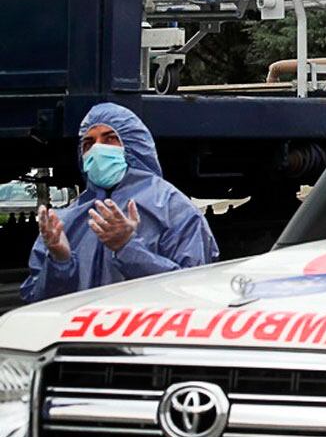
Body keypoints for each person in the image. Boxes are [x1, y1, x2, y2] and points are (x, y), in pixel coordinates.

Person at [22, 103, 219, 303]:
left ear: (134, 145)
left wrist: (128, 249)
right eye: (89, 144)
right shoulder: (66, 220)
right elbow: (39, 304)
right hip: (84, 333)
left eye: (110, 139)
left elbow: (192, 293)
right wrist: (59, 262)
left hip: (140, 333)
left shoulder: (173, 210)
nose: (98, 148)